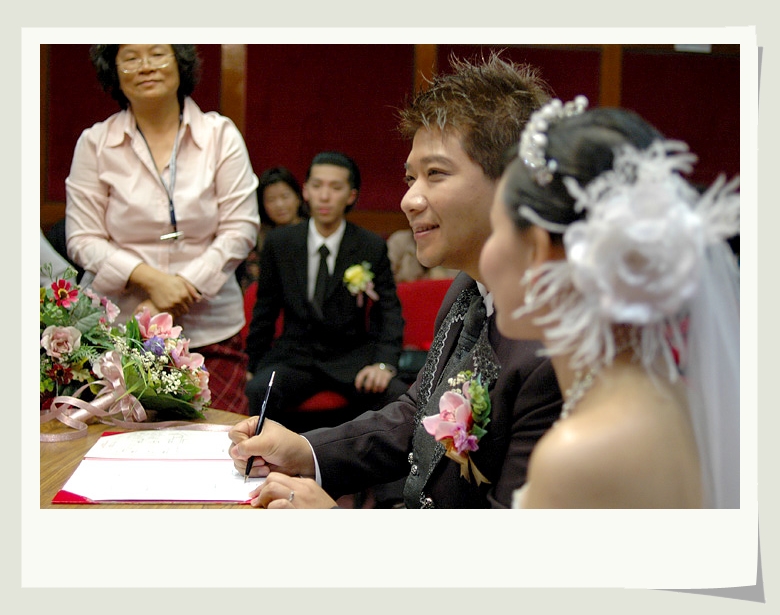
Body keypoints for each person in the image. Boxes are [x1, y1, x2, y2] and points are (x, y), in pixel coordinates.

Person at [229, 53, 563, 509]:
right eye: (410, 177)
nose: (408, 199)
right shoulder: (468, 290)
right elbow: (419, 412)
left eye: (435, 174)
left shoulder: (555, 350)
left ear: (513, 183)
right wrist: (306, 450)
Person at [479, 97, 740, 508]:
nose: (485, 254)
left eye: (495, 229)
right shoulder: (678, 400)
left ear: (539, 250)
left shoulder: (578, 454)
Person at [65, 44, 260, 415]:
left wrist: (178, 290)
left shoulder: (220, 135)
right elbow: (82, 238)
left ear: (179, 62)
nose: (145, 67)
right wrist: (151, 279)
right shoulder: (95, 143)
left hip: (209, 329)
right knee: (121, 442)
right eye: (130, 58)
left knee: (222, 439)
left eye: (157, 54)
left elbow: (241, 228)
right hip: (118, 330)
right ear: (114, 70)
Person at [244, 151, 408, 430]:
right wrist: (253, 365)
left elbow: (389, 311)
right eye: (317, 186)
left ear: (351, 195)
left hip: (351, 359)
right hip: (294, 358)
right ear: (305, 191)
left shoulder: (370, 246)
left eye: (335, 187)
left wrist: (383, 364)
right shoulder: (280, 243)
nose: (324, 196)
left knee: (397, 396)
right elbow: (265, 311)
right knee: (259, 389)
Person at [236, 166, 308, 291]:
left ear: (298, 197)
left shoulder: (314, 232)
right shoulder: (257, 239)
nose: (279, 205)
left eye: (285, 196)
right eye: (271, 199)